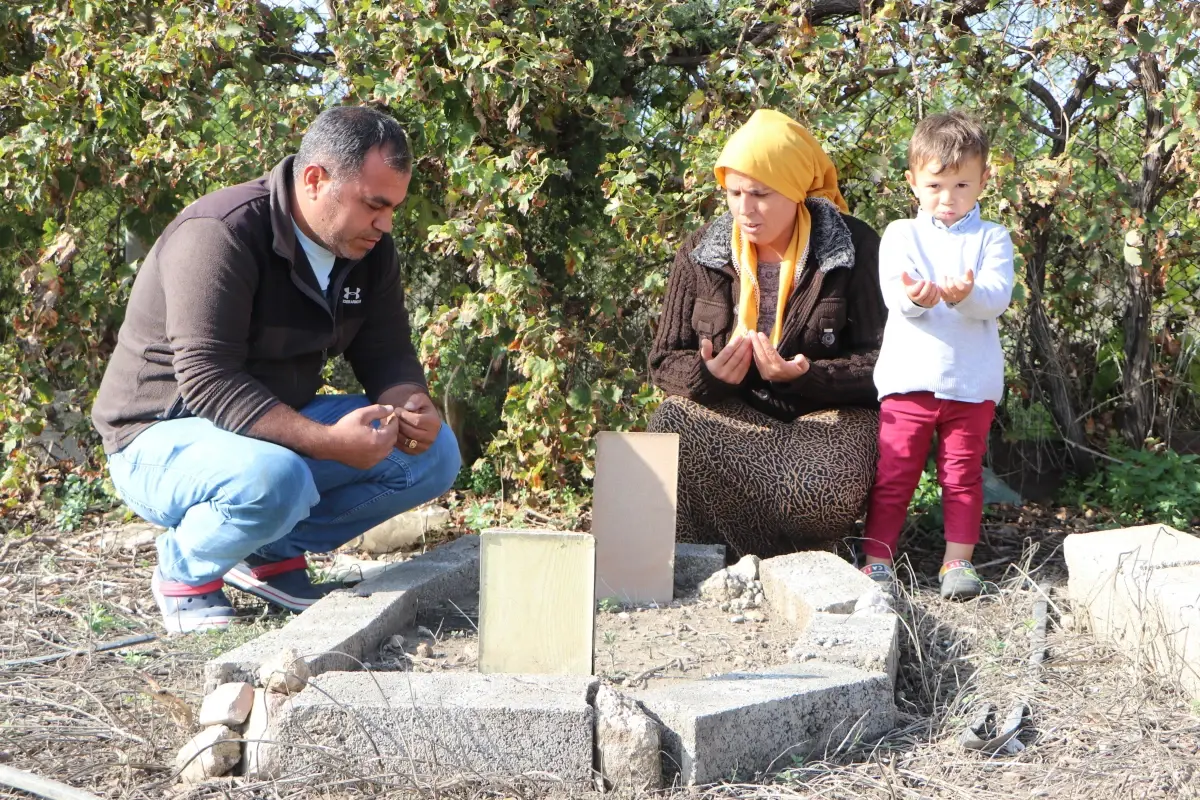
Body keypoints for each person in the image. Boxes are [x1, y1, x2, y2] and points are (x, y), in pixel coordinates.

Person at [91, 106, 461, 633]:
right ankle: (185, 571)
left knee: (434, 454)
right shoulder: (220, 233)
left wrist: (409, 402)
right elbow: (207, 379)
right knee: (274, 477)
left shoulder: (369, 249)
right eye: (374, 205)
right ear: (315, 180)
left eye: (393, 208)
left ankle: (266, 554)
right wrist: (328, 442)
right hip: (157, 434)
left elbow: (386, 351)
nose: (386, 224)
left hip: (265, 431)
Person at [648, 109, 886, 559]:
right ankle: (744, 557)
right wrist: (709, 376)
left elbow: (885, 362)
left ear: (795, 192)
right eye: (734, 193)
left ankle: (762, 550)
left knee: (816, 493)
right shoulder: (700, 251)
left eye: (760, 194)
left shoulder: (854, 247)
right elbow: (664, 359)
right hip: (736, 418)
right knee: (669, 424)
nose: (744, 208)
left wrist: (808, 376)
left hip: (831, 424)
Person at [860, 111, 1015, 599]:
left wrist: (967, 295)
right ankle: (877, 562)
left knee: (962, 475)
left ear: (984, 180)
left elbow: (996, 298)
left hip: (972, 384)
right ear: (912, 182)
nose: (948, 199)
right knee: (894, 473)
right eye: (934, 186)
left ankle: (957, 562)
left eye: (962, 185)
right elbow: (895, 295)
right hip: (909, 381)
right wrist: (917, 298)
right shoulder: (900, 234)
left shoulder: (992, 237)